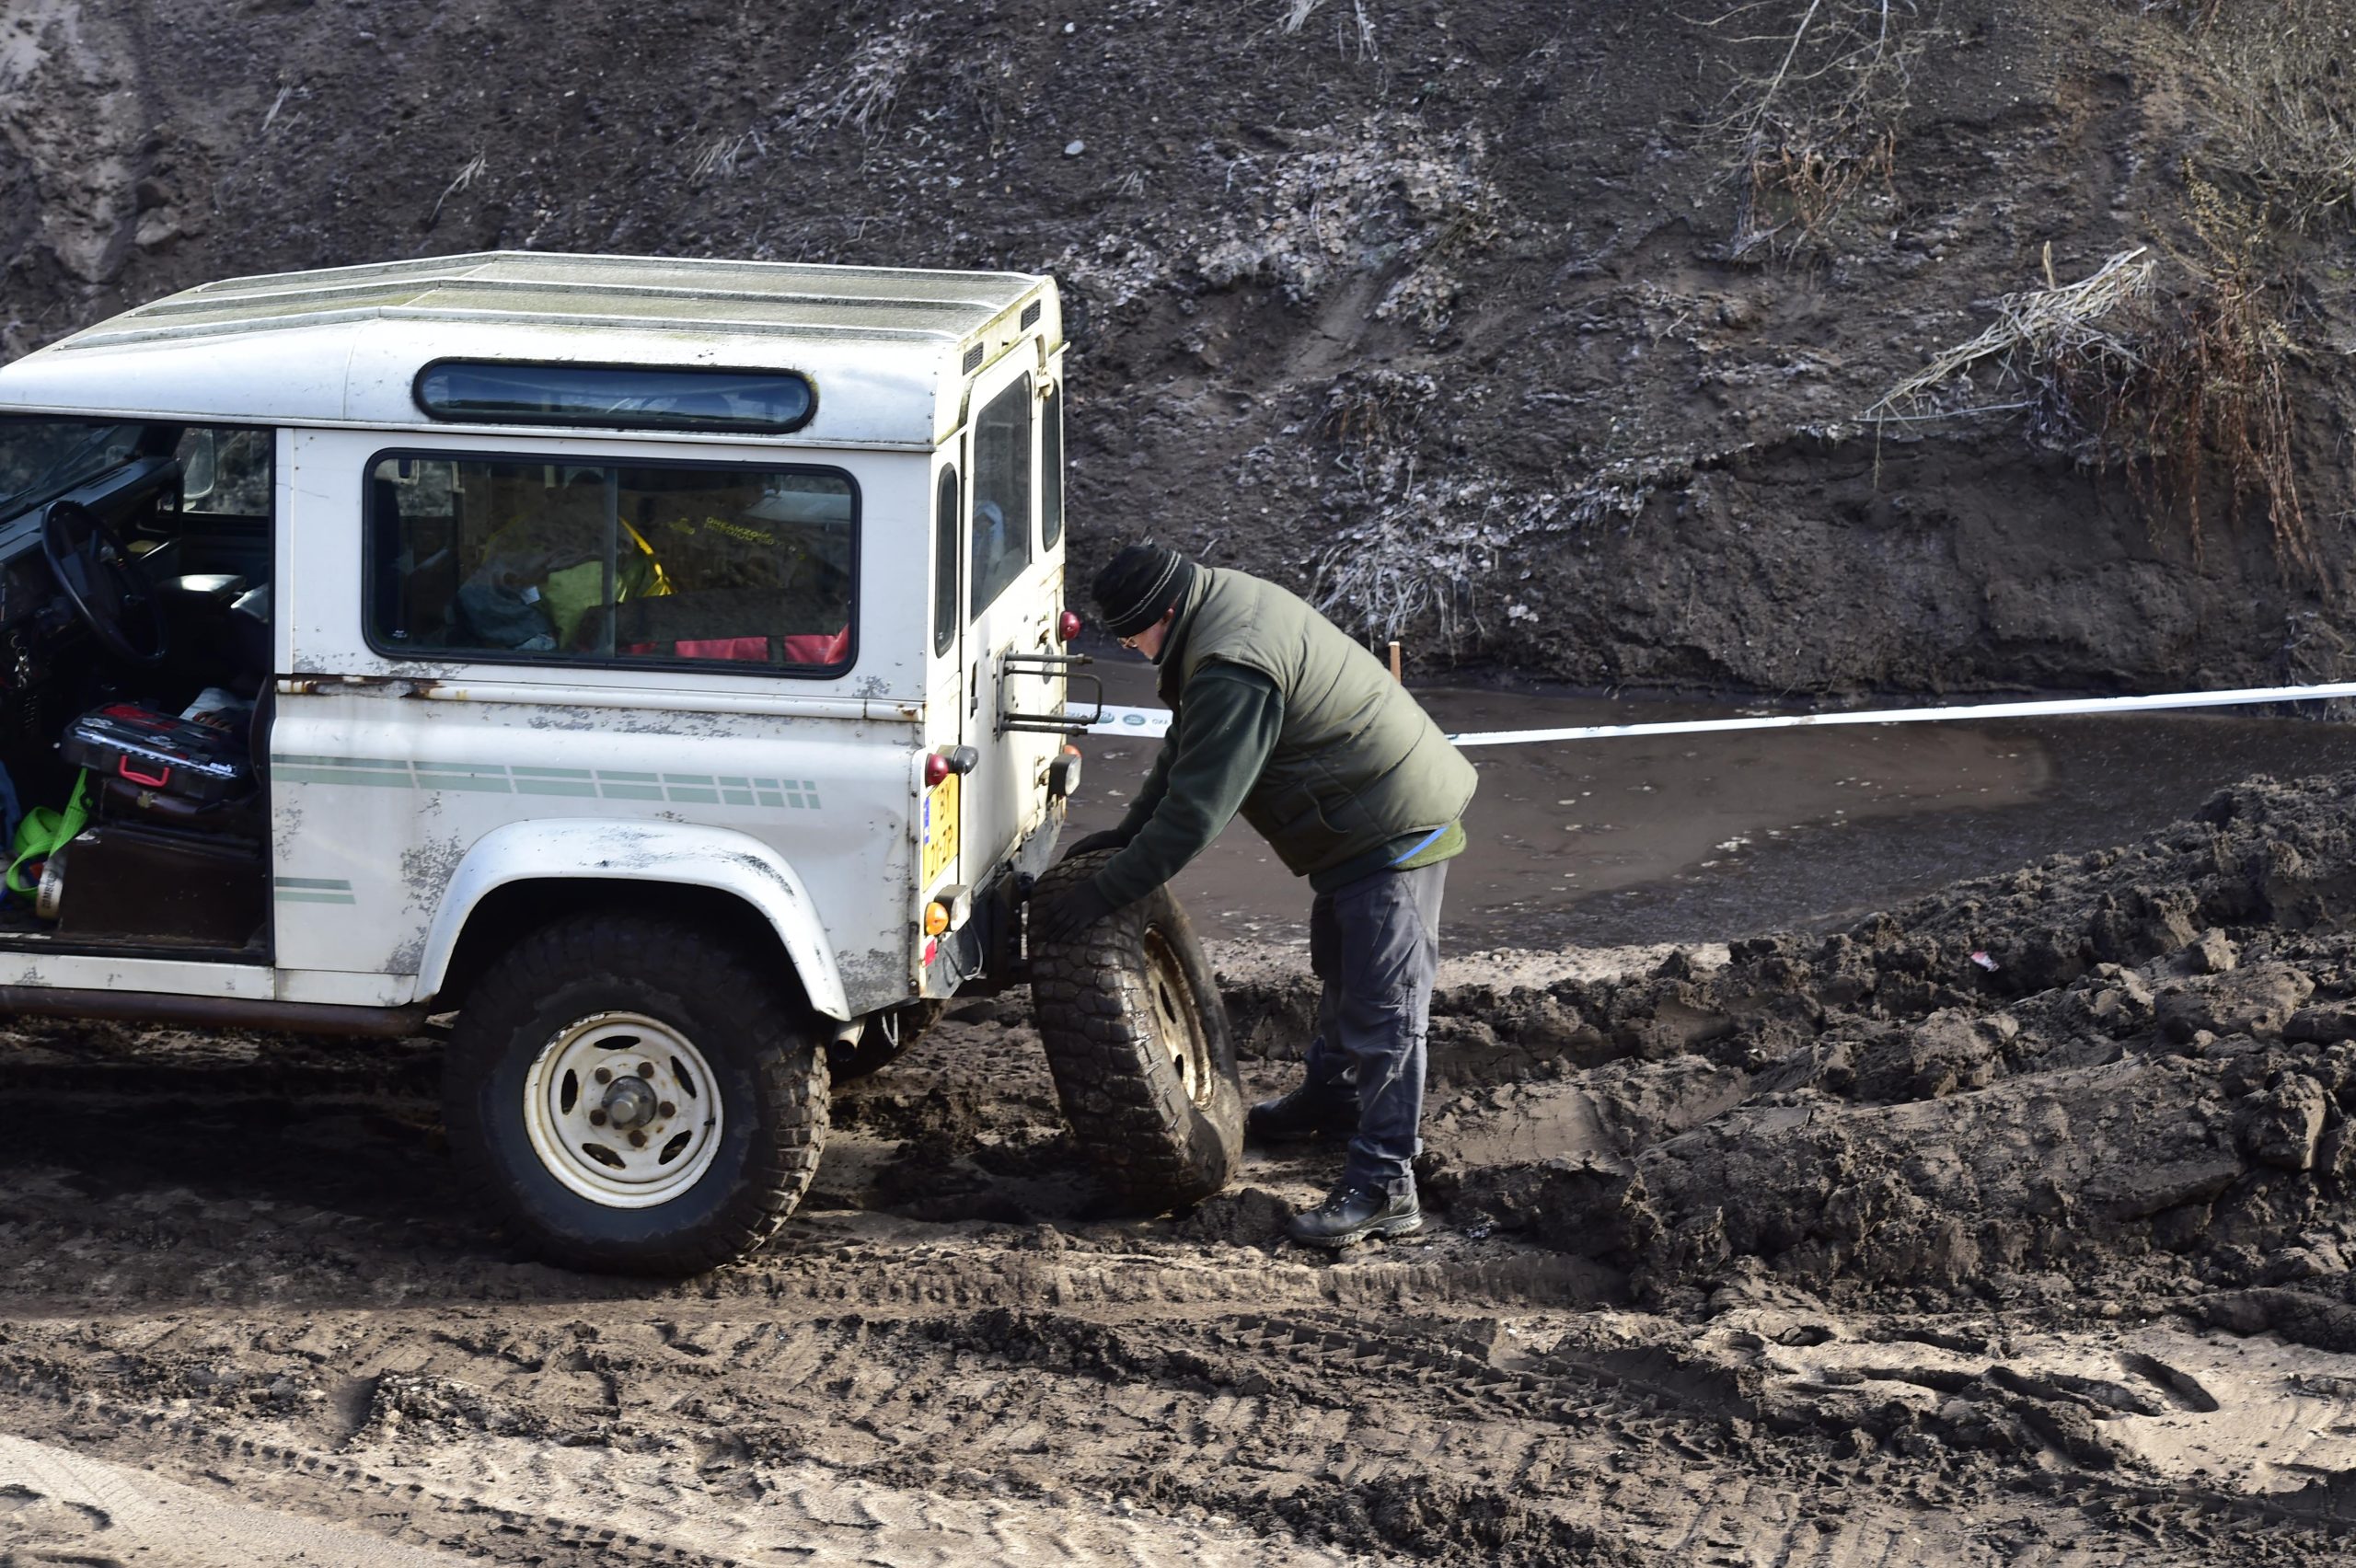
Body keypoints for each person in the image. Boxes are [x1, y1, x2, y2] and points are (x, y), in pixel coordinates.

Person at [1031, 544, 1478, 1247]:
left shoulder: (1231, 663)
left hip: (1392, 824)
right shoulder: (1215, 603)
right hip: (1355, 817)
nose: (1132, 650)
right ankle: (1332, 1100)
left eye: (1133, 636)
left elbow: (1196, 814)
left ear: (1165, 613)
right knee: (1343, 966)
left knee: (1386, 1008)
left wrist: (1105, 892)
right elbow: (1188, 745)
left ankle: (1387, 1185)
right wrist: (1128, 831)